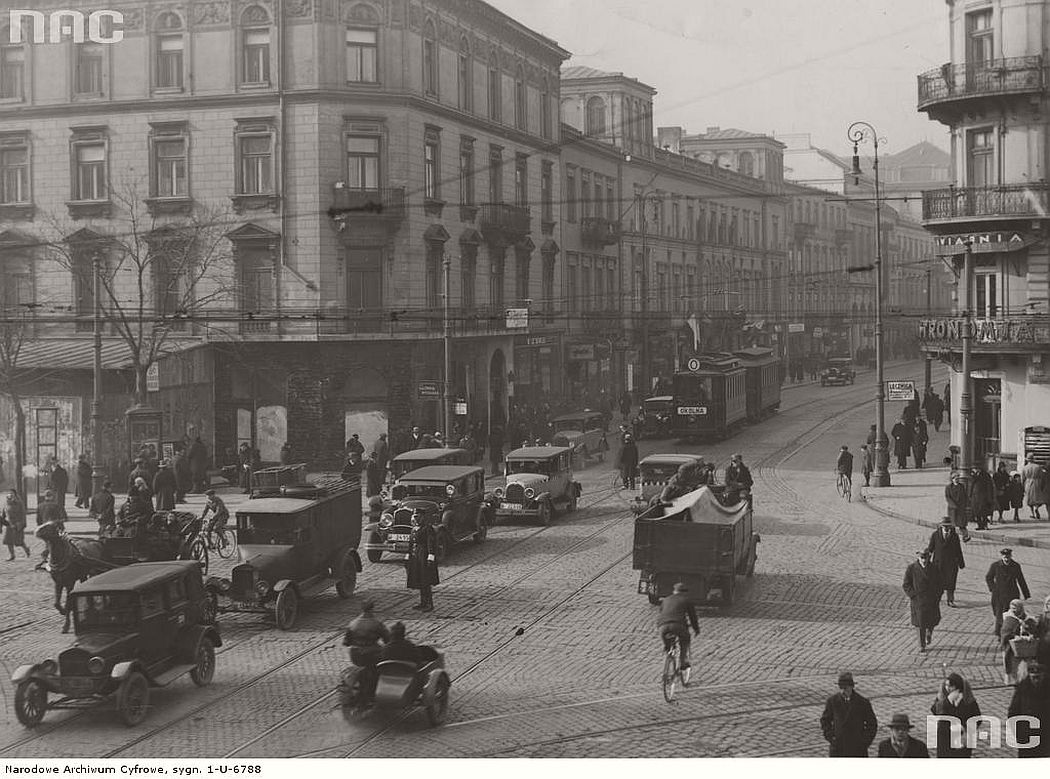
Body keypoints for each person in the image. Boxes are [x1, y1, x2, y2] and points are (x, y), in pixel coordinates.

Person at [820, 671, 878, 757]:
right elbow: (825, 721)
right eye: (841, 687)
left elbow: (872, 724)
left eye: (845, 687)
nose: (843, 690)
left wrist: (864, 742)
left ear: (851, 687)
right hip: (838, 748)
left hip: (857, 749)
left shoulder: (863, 702)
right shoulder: (832, 701)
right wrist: (832, 738)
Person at [342, 600, 390, 702]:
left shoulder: (352, 623)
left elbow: (346, 642)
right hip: (371, 655)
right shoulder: (376, 623)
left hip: (355, 655)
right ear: (372, 609)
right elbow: (388, 640)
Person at [930, 672, 981, 758]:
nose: (947, 688)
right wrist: (948, 701)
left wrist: (966, 729)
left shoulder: (968, 700)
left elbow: (977, 718)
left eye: (951, 686)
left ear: (957, 687)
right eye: (946, 685)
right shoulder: (943, 697)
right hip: (945, 738)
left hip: (962, 738)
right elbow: (935, 711)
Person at [1007, 661, 1050, 758]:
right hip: (1027, 737)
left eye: (1039, 677)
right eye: (1034, 677)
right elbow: (1013, 713)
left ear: (1044, 675)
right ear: (1029, 676)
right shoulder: (1022, 689)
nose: (1036, 680)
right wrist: (1019, 734)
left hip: (1046, 737)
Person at [985, 547, 1030, 637]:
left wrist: (1026, 594)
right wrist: (993, 588)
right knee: (999, 615)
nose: (1006, 559)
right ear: (1002, 557)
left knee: (1013, 614)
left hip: (1012, 594)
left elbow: (1021, 579)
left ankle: (1013, 632)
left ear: (1010, 556)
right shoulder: (995, 565)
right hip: (999, 595)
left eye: (1008, 557)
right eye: (1004, 557)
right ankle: (999, 633)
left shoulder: (1016, 566)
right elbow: (989, 577)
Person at [903, 549, 942, 652]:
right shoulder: (911, 569)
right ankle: (921, 645)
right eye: (922, 558)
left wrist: (937, 597)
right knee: (920, 623)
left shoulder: (934, 568)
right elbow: (906, 585)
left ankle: (929, 633)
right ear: (918, 558)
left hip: (931, 600)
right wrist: (913, 596)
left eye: (926, 558)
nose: (924, 560)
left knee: (931, 621)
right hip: (918, 601)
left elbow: (940, 584)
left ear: (929, 558)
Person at [657, 582, 699, 670]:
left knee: (668, 645)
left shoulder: (666, 599)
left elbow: (661, 614)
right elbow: (692, 617)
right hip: (678, 625)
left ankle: (668, 653)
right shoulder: (687, 600)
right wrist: (696, 629)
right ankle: (682, 662)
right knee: (685, 639)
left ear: (674, 591)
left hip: (662, 626)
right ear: (684, 592)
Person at [926, 518, 964, 607]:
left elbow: (958, 550)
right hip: (938, 563)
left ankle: (950, 600)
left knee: (951, 583)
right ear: (941, 526)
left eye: (948, 526)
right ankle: (936, 598)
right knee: (937, 582)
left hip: (951, 564)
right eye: (944, 526)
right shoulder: (935, 535)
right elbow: (930, 548)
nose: (946, 528)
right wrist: (927, 560)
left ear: (950, 526)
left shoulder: (954, 536)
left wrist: (961, 563)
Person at [1000, 598, 1038, 685]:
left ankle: (1026, 679)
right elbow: (1005, 633)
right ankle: (1014, 680)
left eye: (1015, 608)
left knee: (1026, 665)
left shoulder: (1028, 618)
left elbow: (1034, 630)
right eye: (1012, 608)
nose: (1014, 610)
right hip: (1012, 648)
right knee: (1014, 666)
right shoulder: (1009, 619)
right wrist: (1014, 636)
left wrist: (1029, 634)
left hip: (1026, 647)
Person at [407, 511, 439, 612]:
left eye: (417, 517)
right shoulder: (414, 529)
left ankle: (429, 603)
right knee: (419, 579)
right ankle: (423, 602)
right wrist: (408, 555)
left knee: (426, 580)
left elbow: (431, 543)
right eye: (414, 517)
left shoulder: (427, 528)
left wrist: (431, 557)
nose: (415, 519)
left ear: (422, 517)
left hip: (424, 555)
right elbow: (411, 543)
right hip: (416, 556)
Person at [1, 490, 31, 560]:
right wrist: (1, 524)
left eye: (12, 493)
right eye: (9, 493)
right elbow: (3, 514)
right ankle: (12, 555)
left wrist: (22, 524)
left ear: (15, 494)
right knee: (8, 540)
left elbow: (23, 514)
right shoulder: (6, 503)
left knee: (19, 541)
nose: (10, 495)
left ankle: (26, 549)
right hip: (9, 524)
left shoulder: (19, 503)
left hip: (17, 524)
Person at [944, 471, 970, 542]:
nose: (956, 479)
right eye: (955, 478)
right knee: (952, 525)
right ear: (952, 479)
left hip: (961, 509)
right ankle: (950, 538)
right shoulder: (948, 487)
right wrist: (953, 505)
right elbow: (948, 497)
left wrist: (967, 505)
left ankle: (965, 536)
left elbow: (965, 496)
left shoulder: (961, 486)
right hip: (953, 509)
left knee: (962, 524)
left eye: (957, 478)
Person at [968, 465, 994, 531]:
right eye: (974, 469)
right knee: (977, 512)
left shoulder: (985, 475)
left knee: (984, 512)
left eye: (976, 469)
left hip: (983, 496)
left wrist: (989, 496)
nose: (975, 470)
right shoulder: (973, 475)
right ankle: (980, 525)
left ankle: (985, 525)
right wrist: (970, 495)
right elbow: (971, 485)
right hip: (975, 497)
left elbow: (989, 485)